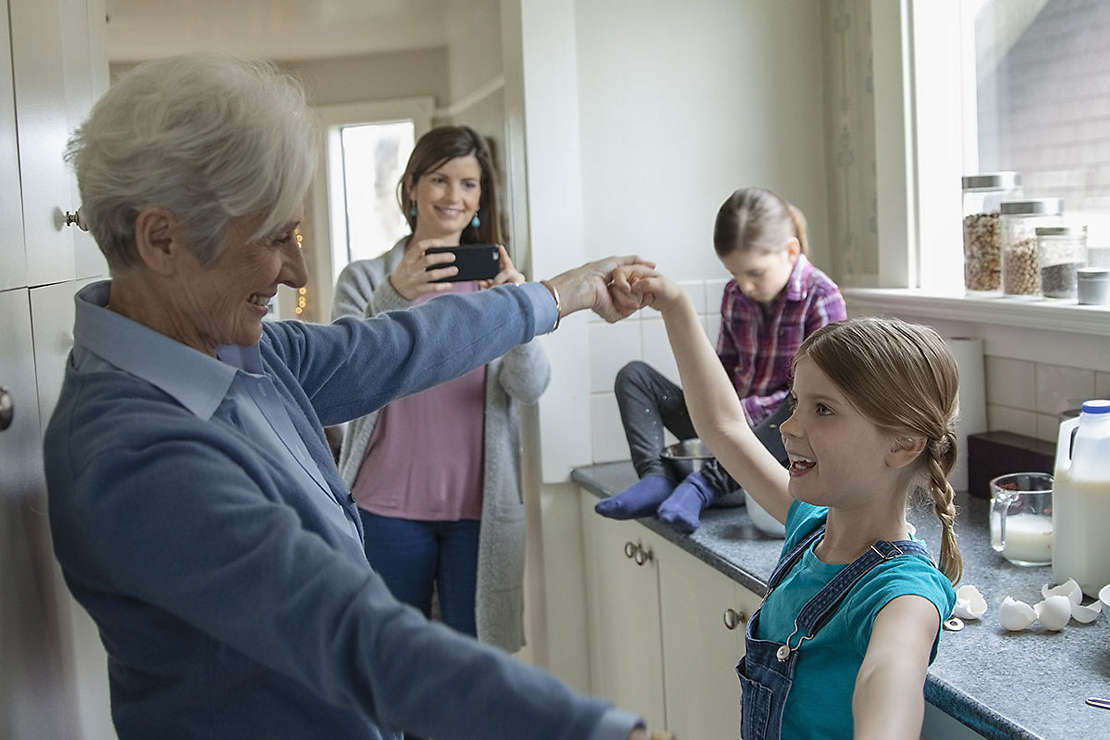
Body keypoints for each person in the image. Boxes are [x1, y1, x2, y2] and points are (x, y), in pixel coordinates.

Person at [45, 52, 656, 740]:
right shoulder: (132, 452)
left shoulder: (243, 351)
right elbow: (353, 633)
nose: (298, 269)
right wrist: (592, 730)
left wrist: (559, 293)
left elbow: (400, 345)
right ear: (163, 239)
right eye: (278, 238)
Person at [610, 265, 960, 739]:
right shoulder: (809, 528)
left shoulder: (904, 597)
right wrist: (675, 306)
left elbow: (889, 683)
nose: (789, 427)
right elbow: (724, 427)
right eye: (796, 403)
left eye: (823, 410)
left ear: (902, 444)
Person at [331, 125, 546, 656]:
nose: (454, 196)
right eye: (440, 180)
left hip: (477, 512)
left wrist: (519, 309)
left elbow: (530, 384)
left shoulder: (498, 283)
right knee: (388, 665)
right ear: (411, 188)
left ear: (481, 198)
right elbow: (347, 378)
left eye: (469, 184)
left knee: (473, 674)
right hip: (384, 508)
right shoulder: (364, 278)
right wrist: (395, 295)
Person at [595, 187, 846, 533]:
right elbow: (720, 372)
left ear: (791, 251)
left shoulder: (822, 297)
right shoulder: (734, 295)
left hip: (778, 438)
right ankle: (656, 478)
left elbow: (822, 399)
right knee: (634, 376)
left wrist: (739, 416)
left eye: (754, 273)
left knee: (799, 405)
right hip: (728, 426)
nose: (744, 285)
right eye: (735, 274)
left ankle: (703, 485)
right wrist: (718, 413)